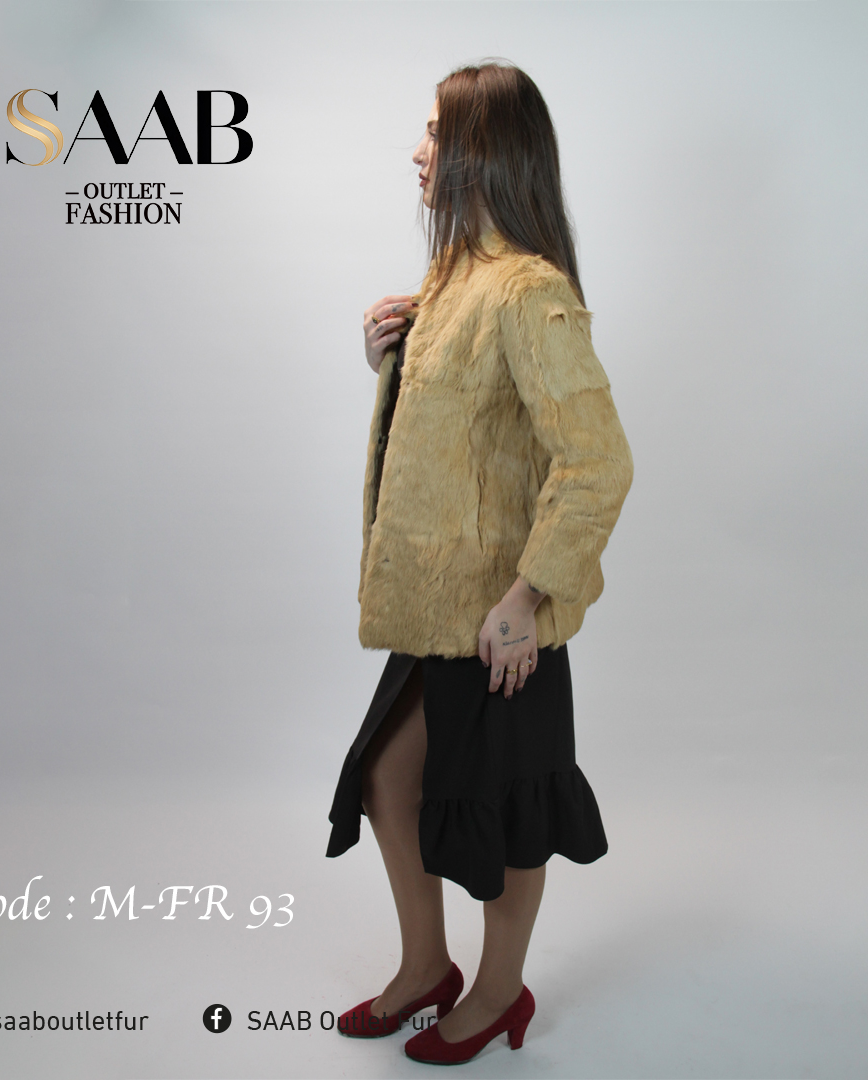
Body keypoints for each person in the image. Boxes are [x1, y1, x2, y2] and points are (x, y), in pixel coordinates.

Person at [325, 61, 633, 1065]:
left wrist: (526, 598)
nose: (417, 152)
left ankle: (500, 992)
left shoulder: (528, 290)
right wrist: (391, 358)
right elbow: (463, 432)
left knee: (509, 814)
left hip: (500, 618)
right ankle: (427, 968)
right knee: (387, 779)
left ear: (482, 150)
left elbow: (598, 461)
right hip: (436, 608)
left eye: (434, 131)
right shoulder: (455, 278)